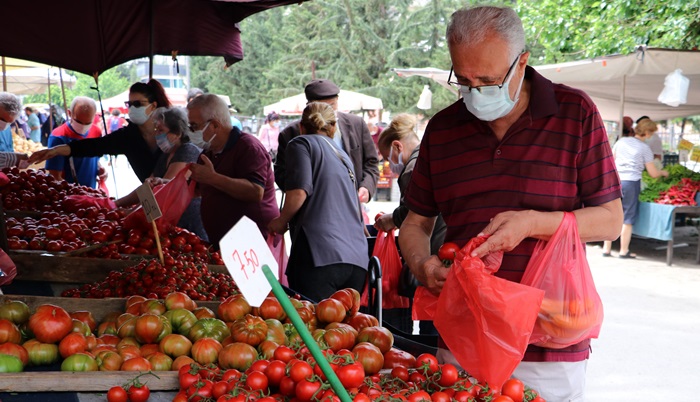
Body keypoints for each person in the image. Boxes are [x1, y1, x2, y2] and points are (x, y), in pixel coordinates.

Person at [398, 6, 623, 401]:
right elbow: (415, 224)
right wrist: (422, 264)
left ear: (522, 63)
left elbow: (610, 221)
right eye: (464, 80)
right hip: (465, 338)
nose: (476, 92)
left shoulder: (576, 114)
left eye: (488, 80)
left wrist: (535, 223)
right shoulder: (443, 129)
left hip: (551, 342)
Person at [268, 102, 368, 301]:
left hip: (319, 256)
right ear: (333, 128)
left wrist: (280, 222)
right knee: (345, 330)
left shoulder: (301, 144)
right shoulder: (343, 155)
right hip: (356, 262)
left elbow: (298, 192)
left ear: (301, 127)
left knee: (312, 327)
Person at [374, 114, 446, 334]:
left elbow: (413, 213)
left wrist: (390, 219)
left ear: (397, 145)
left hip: (433, 253)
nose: (389, 164)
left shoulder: (413, 168)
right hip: (446, 252)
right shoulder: (433, 158)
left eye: (388, 158)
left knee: (431, 328)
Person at [29, 80, 171, 182]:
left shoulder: (171, 132)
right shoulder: (127, 137)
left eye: (138, 104)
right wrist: (56, 150)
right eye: (130, 104)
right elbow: (93, 146)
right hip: (153, 198)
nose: (132, 108)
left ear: (153, 106)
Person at [186, 94, 279, 247]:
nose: (191, 132)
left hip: (254, 247)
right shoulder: (208, 153)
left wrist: (212, 178)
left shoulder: (249, 148)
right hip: (224, 243)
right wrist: (163, 184)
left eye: (194, 126)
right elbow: (196, 189)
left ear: (215, 125)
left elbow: (256, 191)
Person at [275, 79, 379, 205]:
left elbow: (371, 162)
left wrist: (366, 187)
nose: (328, 112)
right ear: (309, 106)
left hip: (351, 202)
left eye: (332, 105)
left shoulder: (356, 124)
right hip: (310, 207)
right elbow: (281, 172)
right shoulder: (290, 134)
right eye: (322, 107)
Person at [113, 107, 208, 240]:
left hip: (188, 224)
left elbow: (164, 193)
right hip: (170, 224)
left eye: (161, 130)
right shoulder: (166, 154)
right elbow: (148, 188)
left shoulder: (187, 151)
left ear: (177, 133)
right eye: (156, 129)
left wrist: (131, 212)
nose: (156, 133)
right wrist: (117, 204)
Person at [602, 120, 668, 259]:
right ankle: (623, 251)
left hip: (616, 181)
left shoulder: (622, 142)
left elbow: (610, 161)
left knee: (612, 214)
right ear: (648, 133)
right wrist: (663, 173)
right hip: (631, 183)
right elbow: (653, 173)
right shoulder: (644, 148)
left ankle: (606, 249)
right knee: (627, 217)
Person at [44, 97, 104, 188]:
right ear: (69, 113)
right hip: (68, 196)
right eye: (78, 121)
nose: (83, 126)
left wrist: (100, 170)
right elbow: (55, 176)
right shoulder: (58, 137)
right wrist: (75, 192)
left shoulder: (96, 132)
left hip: (91, 192)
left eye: (88, 123)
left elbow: (96, 159)